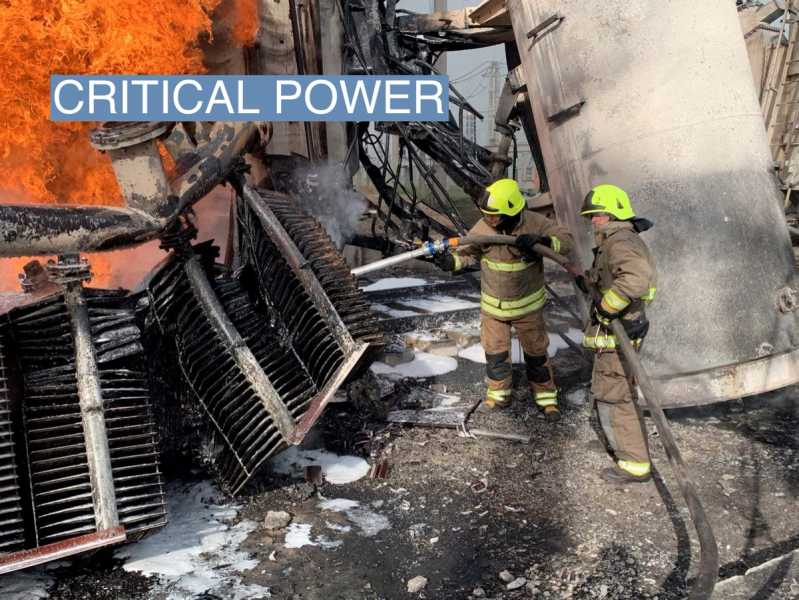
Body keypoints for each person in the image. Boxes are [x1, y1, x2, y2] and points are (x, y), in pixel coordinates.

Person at [433, 179, 574, 420]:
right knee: (495, 355)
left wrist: (544, 242)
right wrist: (448, 262)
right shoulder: (483, 228)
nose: (489, 220)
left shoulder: (536, 223)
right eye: (486, 214)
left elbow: (567, 242)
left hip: (528, 309)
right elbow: (466, 255)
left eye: (495, 216)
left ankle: (547, 400)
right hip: (494, 310)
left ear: (513, 212)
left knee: (536, 355)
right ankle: (499, 396)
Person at [576, 184, 658, 483]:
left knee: (615, 397)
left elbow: (636, 278)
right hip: (614, 334)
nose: (592, 222)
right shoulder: (616, 240)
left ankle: (633, 464)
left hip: (617, 334)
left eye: (596, 215)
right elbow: (610, 280)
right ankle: (617, 445)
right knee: (614, 391)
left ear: (612, 214)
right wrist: (588, 283)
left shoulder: (620, 240)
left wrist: (608, 308)